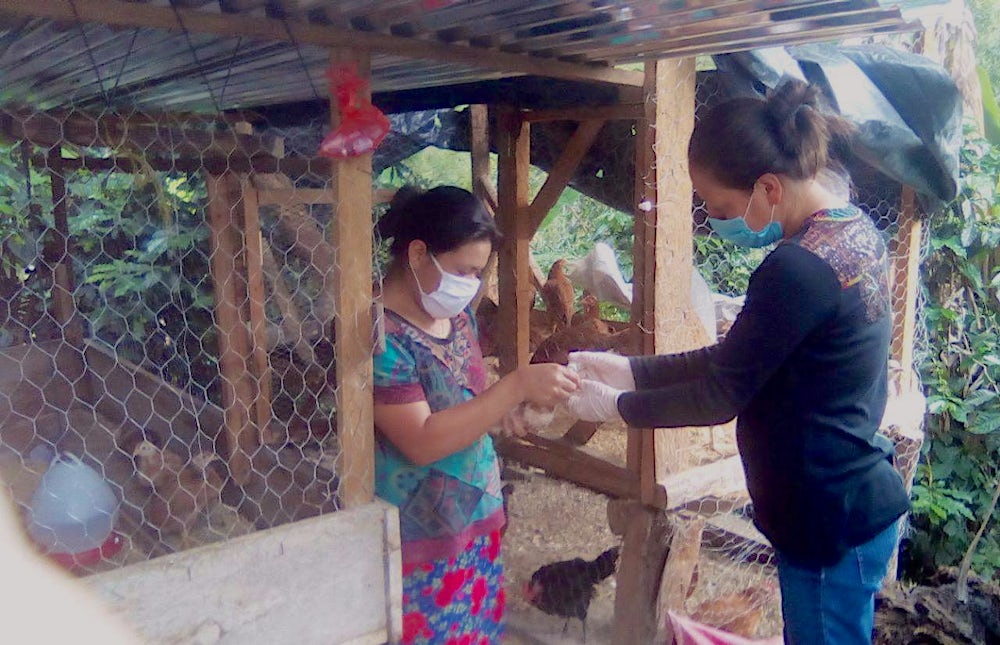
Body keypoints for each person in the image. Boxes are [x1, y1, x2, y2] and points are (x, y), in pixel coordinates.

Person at [565, 79, 910, 644]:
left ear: (768, 187)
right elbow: (741, 358)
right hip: (848, 498)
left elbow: (721, 394)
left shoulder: (795, 270)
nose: (717, 218)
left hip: (826, 518)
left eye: (721, 206)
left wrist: (614, 406)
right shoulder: (853, 233)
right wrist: (630, 370)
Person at [372, 186, 580, 644]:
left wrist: (510, 413)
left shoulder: (457, 319)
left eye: (476, 272)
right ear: (419, 253)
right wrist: (516, 385)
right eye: (463, 270)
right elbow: (421, 440)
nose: (469, 284)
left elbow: (468, 404)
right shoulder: (379, 335)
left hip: (476, 519)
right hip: (417, 539)